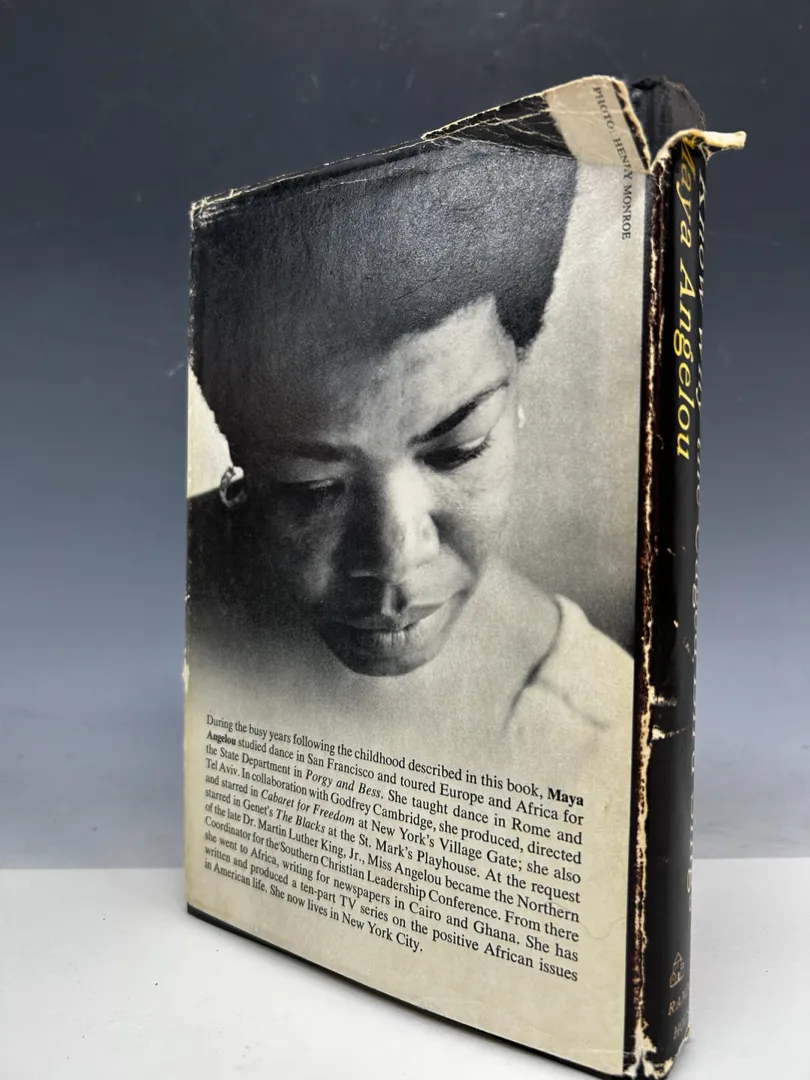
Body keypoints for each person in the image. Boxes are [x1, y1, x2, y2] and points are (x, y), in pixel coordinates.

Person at [187, 138, 633, 766]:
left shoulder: (599, 739)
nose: (397, 557)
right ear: (235, 441)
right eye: (310, 485)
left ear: (519, 372)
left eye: (458, 449)